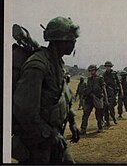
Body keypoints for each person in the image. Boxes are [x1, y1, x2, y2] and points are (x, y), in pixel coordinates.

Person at [12, 17, 80, 164]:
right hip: (36, 142)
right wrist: (49, 134)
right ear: (58, 40)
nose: (74, 42)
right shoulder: (37, 65)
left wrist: (72, 121)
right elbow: (25, 110)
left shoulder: (58, 63)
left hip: (54, 137)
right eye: (70, 39)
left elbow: (64, 97)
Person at [80, 64, 109, 134]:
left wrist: (106, 99)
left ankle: (100, 127)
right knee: (86, 113)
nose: (92, 72)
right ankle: (83, 129)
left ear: (96, 70)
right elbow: (87, 88)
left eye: (93, 70)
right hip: (90, 98)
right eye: (91, 71)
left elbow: (104, 88)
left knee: (99, 114)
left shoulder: (100, 78)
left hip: (98, 97)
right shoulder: (89, 79)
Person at [103, 61, 123, 126]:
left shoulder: (114, 74)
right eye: (106, 66)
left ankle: (114, 118)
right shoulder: (104, 74)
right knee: (105, 107)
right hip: (106, 93)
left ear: (111, 67)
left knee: (111, 107)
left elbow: (119, 83)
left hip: (113, 93)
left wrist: (121, 91)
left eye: (109, 66)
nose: (107, 68)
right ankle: (107, 121)